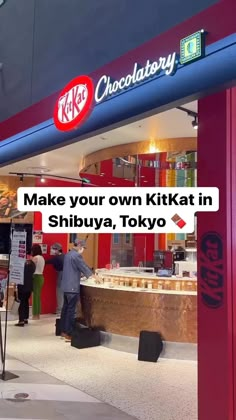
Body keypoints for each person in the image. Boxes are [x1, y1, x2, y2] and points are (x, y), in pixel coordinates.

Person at [60, 239, 93, 342]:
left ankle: (63, 331)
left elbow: (73, 269)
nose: (83, 250)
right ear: (79, 246)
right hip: (72, 288)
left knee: (65, 309)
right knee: (71, 311)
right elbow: (84, 267)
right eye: (83, 248)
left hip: (65, 286)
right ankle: (69, 333)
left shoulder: (68, 254)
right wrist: (92, 275)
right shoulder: (76, 256)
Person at [15, 256, 36, 327]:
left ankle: (21, 320)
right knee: (26, 301)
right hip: (29, 286)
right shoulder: (32, 264)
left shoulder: (20, 264)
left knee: (21, 303)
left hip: (22, 286)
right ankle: (25, 318)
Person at [45, 243, 64, 314]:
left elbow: (46, 262)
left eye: (53, 249)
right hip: (68, 277)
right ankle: (63, 310)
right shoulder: (64, 256)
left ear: (57, 250)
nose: (51, 250)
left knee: (59, 293)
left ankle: (60, 310)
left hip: (61, 276)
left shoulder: (56, 258)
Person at [31, 244, 45, 320]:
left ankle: (35, 315)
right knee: (38, 296)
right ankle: (38, 314)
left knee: (35, 297)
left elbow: (30, 266)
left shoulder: (35, 258)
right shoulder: (42, 258)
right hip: (41, 277)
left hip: (35, 277)